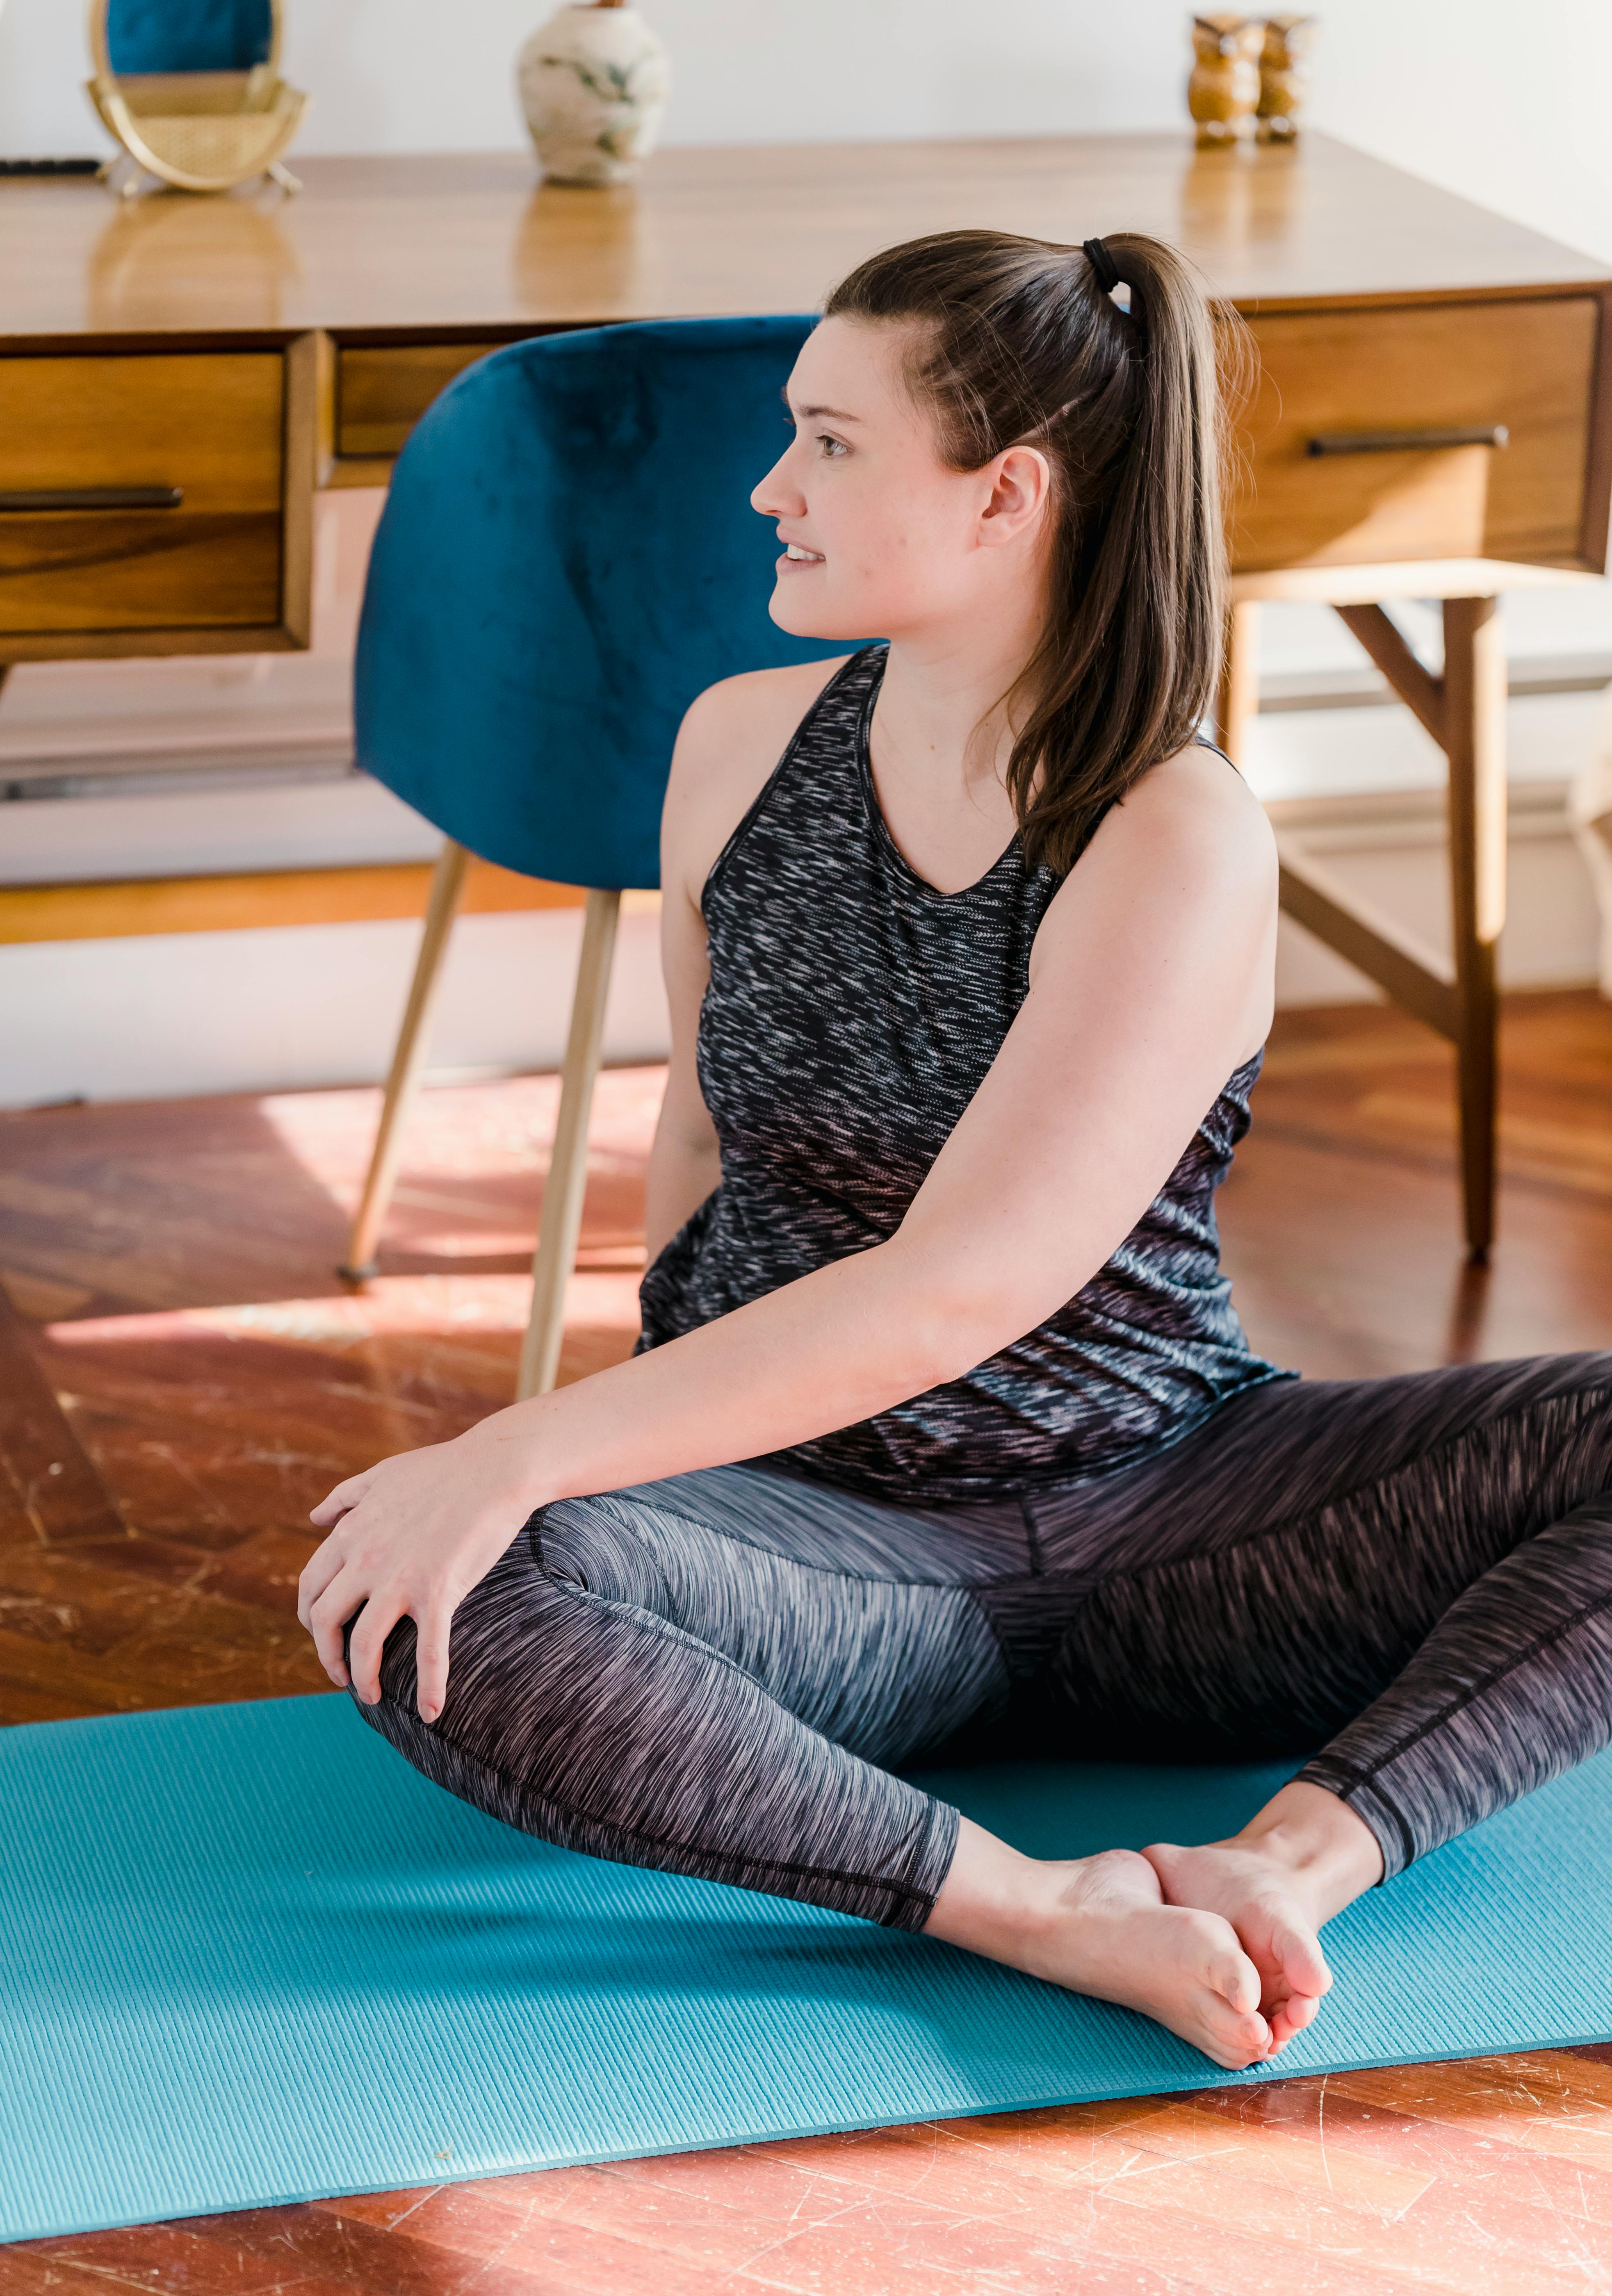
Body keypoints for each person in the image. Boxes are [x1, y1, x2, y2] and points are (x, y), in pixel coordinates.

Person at [298, 228, 1612, 2071]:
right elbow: (702, 1124)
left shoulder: (1170, 828)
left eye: (829, 442)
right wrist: (604, 1493)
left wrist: (518, 1445)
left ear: (1004, 495)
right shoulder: (735, 748)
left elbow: (962, 1284)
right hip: (821, 1547)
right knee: (428, 1586)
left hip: (1168, 1515)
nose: (770, 488)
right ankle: (1036, 1908)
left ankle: (1286, 1868)